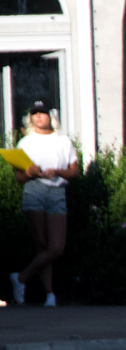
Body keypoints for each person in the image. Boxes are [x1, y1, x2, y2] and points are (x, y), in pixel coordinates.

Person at [10, 98, 77, 307]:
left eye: (42, 112)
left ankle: (20, 277)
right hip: (34, 190)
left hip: (57, 190)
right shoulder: (25, 143)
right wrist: (30, 173)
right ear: (30, 118)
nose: (38, 116)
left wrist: (57, 171)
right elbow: (19, 178)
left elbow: (75, 172)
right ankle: (50, 295)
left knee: (56, 247)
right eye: (35, 113)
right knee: (42, 244)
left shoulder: (63, 141)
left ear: (51, 116)